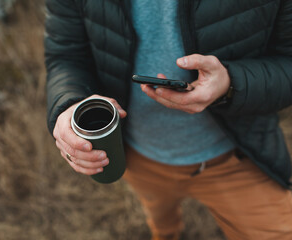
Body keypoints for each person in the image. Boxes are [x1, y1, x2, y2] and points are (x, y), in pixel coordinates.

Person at [44, 0, 292, 239]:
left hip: (237, 158)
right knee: (158, 214)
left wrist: (231, 83)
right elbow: (66, 55)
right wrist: (68, 103)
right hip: (136, 154)